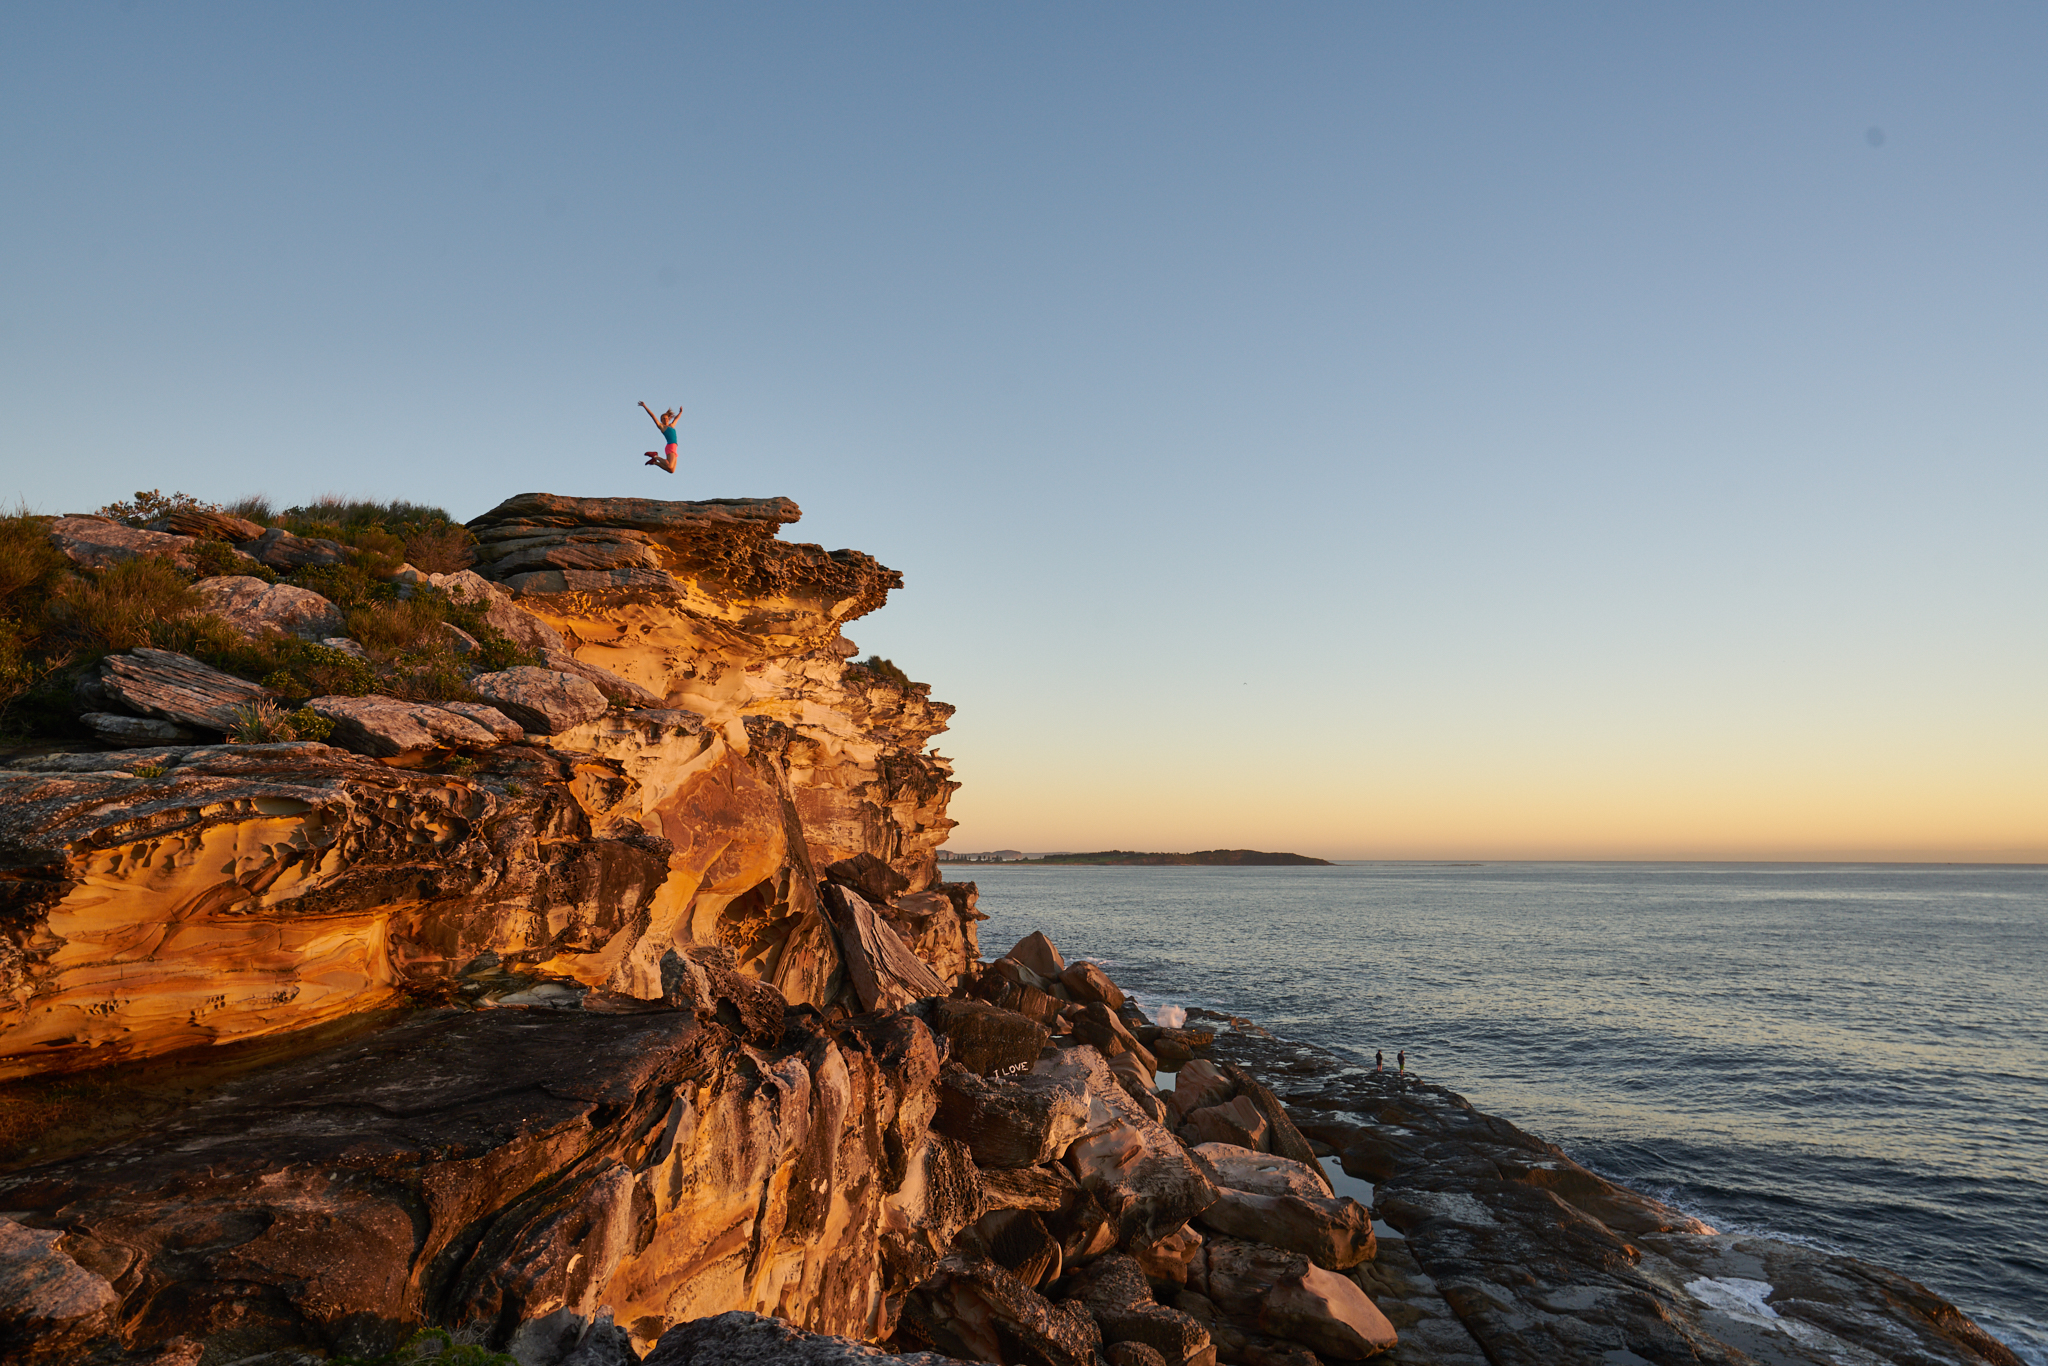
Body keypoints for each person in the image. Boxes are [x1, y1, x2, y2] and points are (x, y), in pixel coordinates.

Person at [640, 401, 683, 473]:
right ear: (661, 420)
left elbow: (677, 419)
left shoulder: (672, 425)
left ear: (669, 419)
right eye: (663, 419)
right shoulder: (662, 427)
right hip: (670, 446)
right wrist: (644, 406)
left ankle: (655, 462)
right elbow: (652, 415)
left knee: (671, 470)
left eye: (666, 418)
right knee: (669, 465)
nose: (665, 419)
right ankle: (655, 456)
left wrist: (680, 412)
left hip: (675, 447)